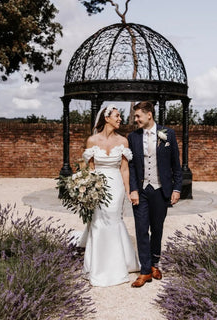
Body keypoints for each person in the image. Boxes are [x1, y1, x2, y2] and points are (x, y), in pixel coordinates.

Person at [80, 104, 140, 287]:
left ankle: (117, 264)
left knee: (113, 218)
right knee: (99, 220)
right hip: (98, 184)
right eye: (117, 116)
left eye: (120, 116)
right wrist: (87, 188)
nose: (120, 119)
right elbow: (89, 168)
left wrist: (129, 190)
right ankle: (98, 266)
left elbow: (124, 169)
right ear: (106, 118)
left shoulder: (123, 141)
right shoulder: (92, 140)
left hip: (115, 185)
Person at [128, 101, 182, 288]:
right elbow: (132, 166)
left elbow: (176, 163)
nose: (135, 120)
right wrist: (133, 189)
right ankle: (144, 271)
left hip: (161, 189)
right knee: (141, 229)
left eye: (138, 116)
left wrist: (176, 189)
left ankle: (154, 264)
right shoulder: (132, 137)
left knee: (157, 229)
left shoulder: (168, 134)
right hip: (141, 191)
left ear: (149, 114)